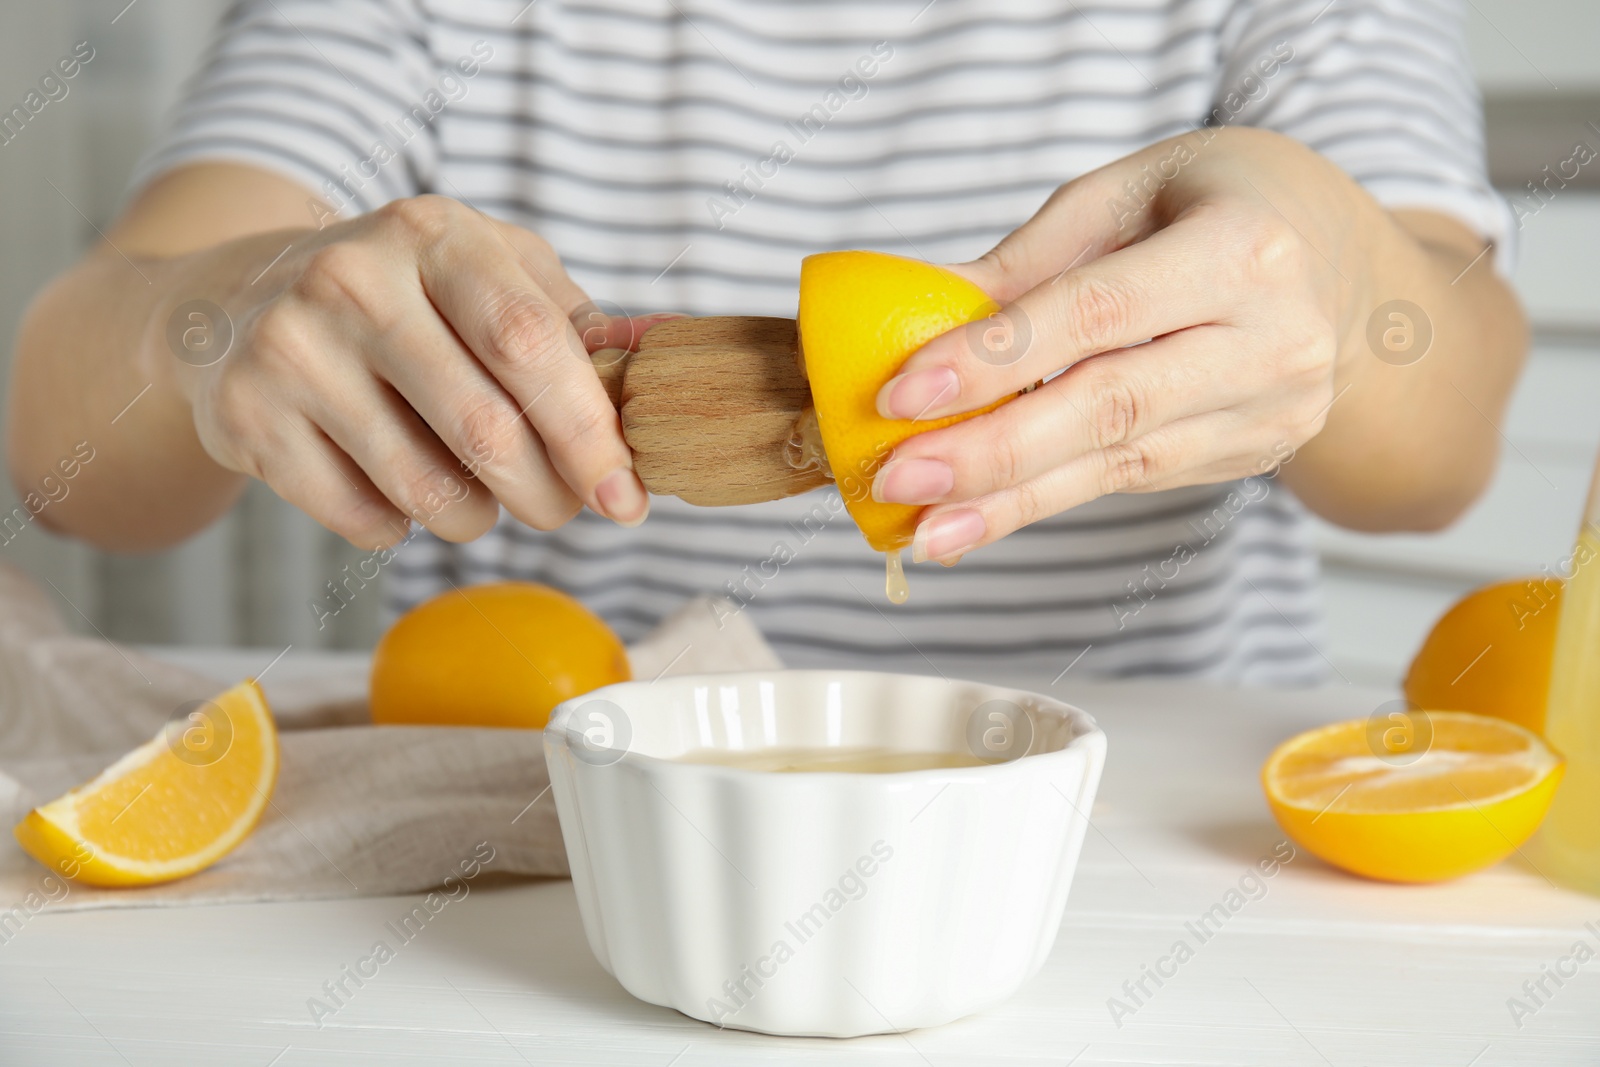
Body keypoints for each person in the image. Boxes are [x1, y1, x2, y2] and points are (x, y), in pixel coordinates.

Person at [6, 0, 1524, 682]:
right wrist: (227, 323)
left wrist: (1326, 260)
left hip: (1136, 840)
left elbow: (1443, 447)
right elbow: (69, 454)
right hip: (547, 855)